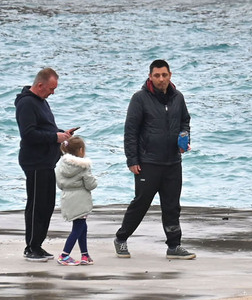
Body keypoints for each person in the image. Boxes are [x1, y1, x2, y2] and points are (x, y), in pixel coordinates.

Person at [114, 59, 195, 260]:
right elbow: (130, 131)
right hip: (148, 162)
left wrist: (184, 138)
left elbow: (185, 120)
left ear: (170, 75)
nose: (161, 79)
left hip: (173, 162)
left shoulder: (178, 97)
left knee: (172, 205)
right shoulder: (140, 98)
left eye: (164, 75)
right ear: (150, 76)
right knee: (141, 203)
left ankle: (174, 246)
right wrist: (132, 159)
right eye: (157, 75)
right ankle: (121, 238)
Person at [15, 67, 79, 262]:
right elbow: (28, 134)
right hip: (34, 161)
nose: (53, 92)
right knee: (36, 205)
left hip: (47, 162)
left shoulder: (42, 102)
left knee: (47, 204)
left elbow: (46, 128)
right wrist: (54, 137)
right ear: (40, 85)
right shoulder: (26, 103)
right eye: (51, 88)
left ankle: (38, 244)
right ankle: (31, 247)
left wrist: (62, 134)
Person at [55, 136, 98, 266]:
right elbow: (91, 184)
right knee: (78, 228)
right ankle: (64, 255)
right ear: (80, 150)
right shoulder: (83, 167)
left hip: (67, 197)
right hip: (81, 200)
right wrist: (95, 180)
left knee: (82, 226)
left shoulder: (61, 165)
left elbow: (60, 184)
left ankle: (84, 254)